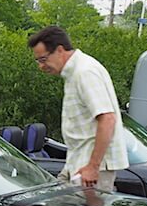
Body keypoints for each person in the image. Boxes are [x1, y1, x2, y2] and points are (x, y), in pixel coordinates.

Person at [28, 25, 128, 190]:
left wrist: (93, 167)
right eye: (38, 61)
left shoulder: (85, 72)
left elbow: (107, 119)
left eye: (43, 59)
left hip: (92, 171)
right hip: (78, 163)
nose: (41, 66)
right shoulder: (75, 73)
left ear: (60, 50)